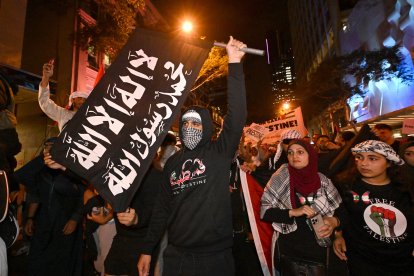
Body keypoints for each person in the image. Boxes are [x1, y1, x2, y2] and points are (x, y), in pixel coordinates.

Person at [137, 36, 247, 276]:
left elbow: (237, 115)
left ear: (207, 129)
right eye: (186, 124)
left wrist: (234, 61)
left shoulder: (219, 152)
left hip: (216, 258)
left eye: (197, 125)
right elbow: (161, 210)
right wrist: (147, 249)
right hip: (177, 258)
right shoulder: (173, 163)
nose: (190, 129)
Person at [260, 140, 347, 275]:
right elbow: (265, 212)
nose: (294, 156)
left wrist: (334, 224)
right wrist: (293, 212)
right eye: (290, 152)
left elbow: (341, 211)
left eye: (300, 152)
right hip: (290, 253)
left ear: (310, 155)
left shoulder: (323, 180)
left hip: (320, 252)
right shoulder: (280, 178)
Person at [333, 140, 414, 275]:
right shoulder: (346, 187)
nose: (364, 163)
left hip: (403, 261)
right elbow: (339, 214)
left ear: (388, 162)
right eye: (359, 157)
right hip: (363, 262)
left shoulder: (406, 189)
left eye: (372, 158)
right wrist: (338, 235)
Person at [104, 133, 177, 276]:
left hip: (143, 242)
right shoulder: (120, 172)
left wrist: (137, 219)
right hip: (121, 239)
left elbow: (158, 213)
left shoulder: (157, 176)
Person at [39, 59, 89, 132]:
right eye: (79, 98)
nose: (82, 101)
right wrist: (46, 77)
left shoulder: (89, 118)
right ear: (72, 100)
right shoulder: (62, 114)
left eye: (84, 100)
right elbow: (45, 103)